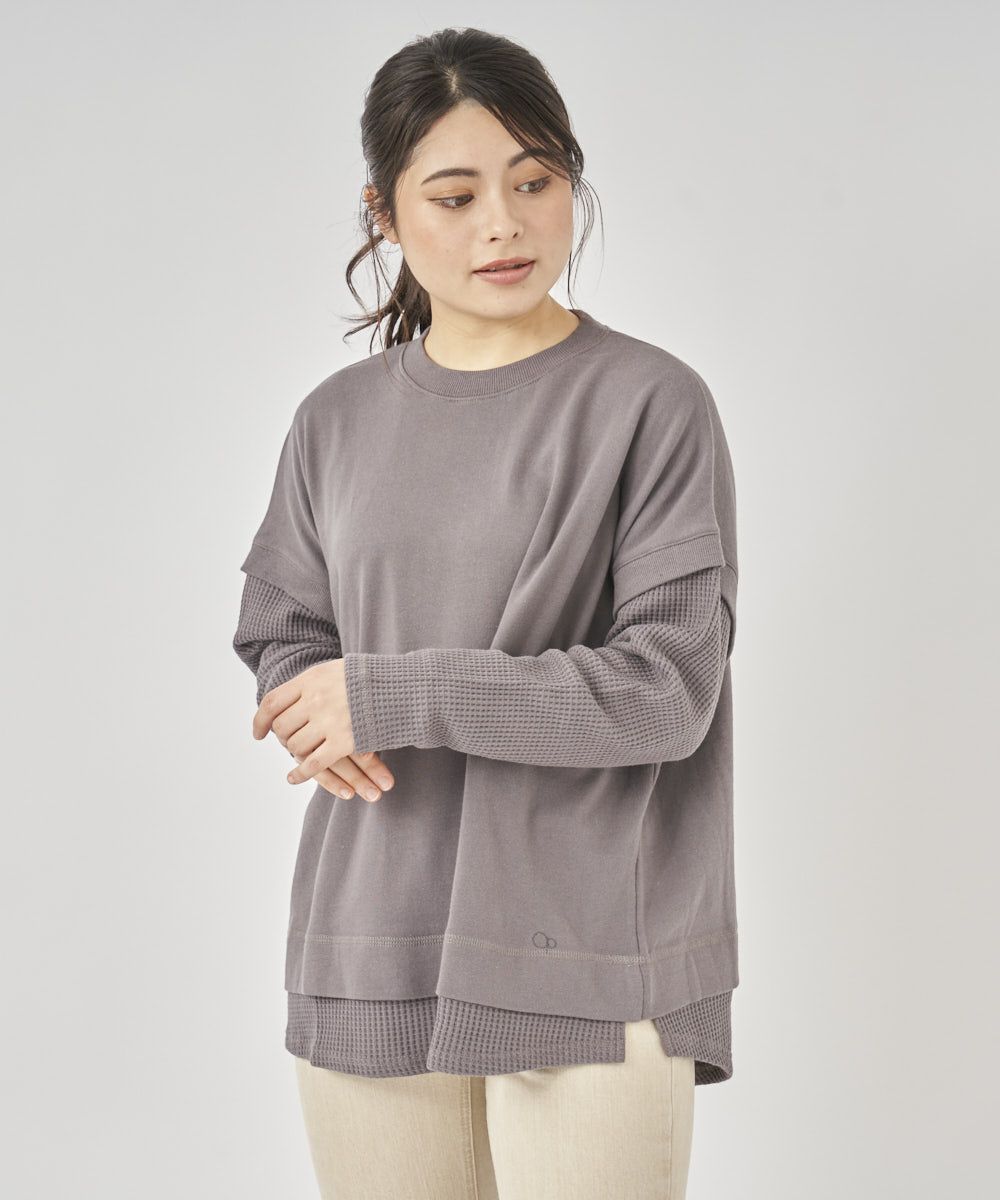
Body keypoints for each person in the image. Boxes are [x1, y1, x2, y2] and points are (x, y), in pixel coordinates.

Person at [233, 26, 739, 1200]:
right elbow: (282, 622)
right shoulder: (333, 421)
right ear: (385, 213)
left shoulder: (651, 404)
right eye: (454, 197)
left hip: (595, 947)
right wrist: (305, 699)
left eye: (534, 182)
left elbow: (665, 691)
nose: (502, 226)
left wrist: (384, 693)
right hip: (371, 935)